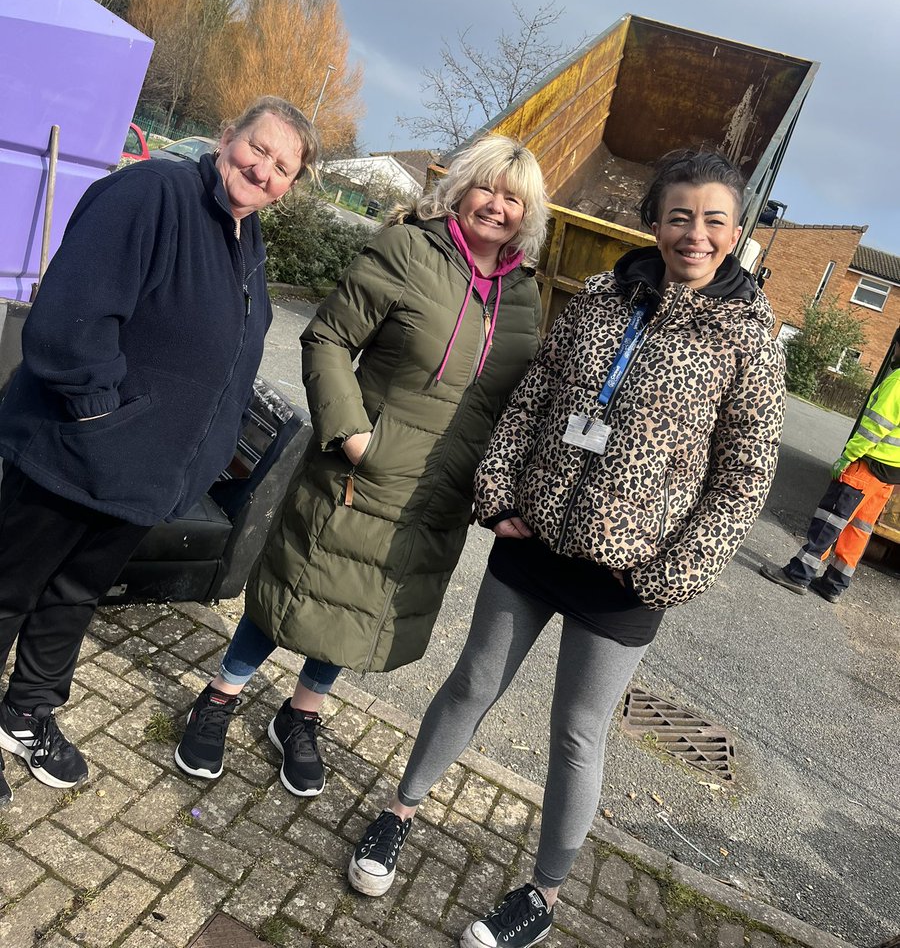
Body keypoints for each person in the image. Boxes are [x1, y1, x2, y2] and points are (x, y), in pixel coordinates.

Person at [346, 148, 786, 948]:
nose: (694, 233)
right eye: (679, 215)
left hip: (629, 575)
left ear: (736, 232)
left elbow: (746, 473)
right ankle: (398, 810)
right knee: (471, 683)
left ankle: (543, 897)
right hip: (536, 536)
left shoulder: (750, 339)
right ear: (655, 220)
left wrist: (671, 573)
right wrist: (501, 492)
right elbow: (533, 396)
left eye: (713, 220)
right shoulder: (600, 296)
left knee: (578, 733)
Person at [174, 135, 548, 800]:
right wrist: (350, 434)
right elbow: (328, 337)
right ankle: (220, 695)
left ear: (530, 213)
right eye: (487, 187)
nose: (497, 206)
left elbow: (515, 403)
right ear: (461, 189)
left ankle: (301, 714)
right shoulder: (409, 249)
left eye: (514, 197)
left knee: (359, 605)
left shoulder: (523, 295)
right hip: (361, 471)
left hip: (438, 493)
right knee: (300, 582)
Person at [0, 96, 318, 806]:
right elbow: (71, 315)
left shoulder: (248, 236)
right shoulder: (154, 192)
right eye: (257, 149)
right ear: (228, 135)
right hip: (72, 450)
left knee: (75, 594)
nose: (262, 170)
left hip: (139, 473)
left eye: (282, 167)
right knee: (9, 587)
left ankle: (26, 711)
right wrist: (98, 415)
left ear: (291, 187)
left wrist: (195, 457)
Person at [761, 338, 900, 602]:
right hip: (890, 477)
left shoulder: (897, 381)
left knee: (831, 520)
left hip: (867, 466)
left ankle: (798, 574)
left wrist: (847, 457)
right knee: (859, 529)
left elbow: (874, 427)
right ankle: (834, 583)